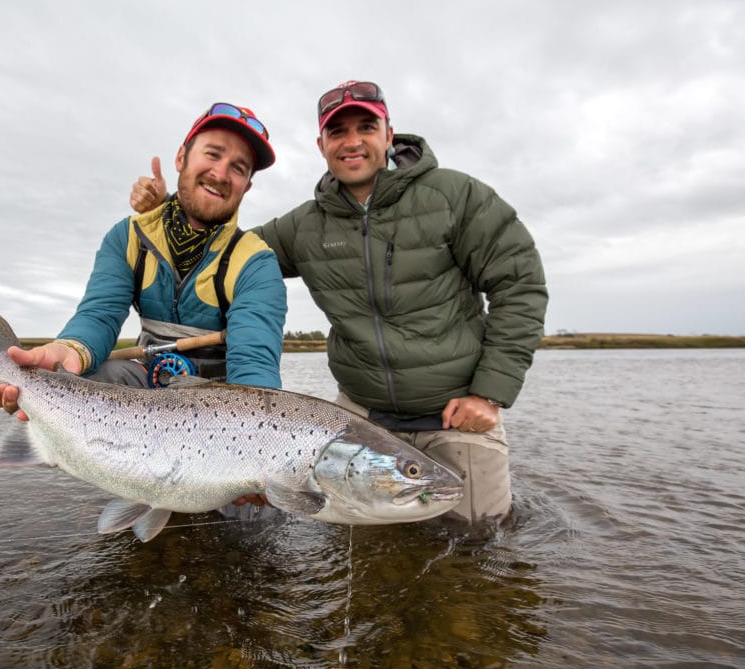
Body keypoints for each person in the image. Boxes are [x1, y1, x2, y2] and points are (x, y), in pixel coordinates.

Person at [130, 81, 548, 526]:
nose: (352, 142)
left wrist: (489, 393)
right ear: (321, 145)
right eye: (337, 132)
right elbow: (225, 253)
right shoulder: (304, 225)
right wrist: (166, 211)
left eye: (366, 127)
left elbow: (520, 286)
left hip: (457, 412)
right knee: (338, 540)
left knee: (481, 540)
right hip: (359, 416)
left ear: (389, 135)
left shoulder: (458, 197)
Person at [0, 102, 287, 422]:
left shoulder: (257, 262)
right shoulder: (127, 237)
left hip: (221, 402)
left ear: (247, 185)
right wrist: (70, 352)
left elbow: (255, 368)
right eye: (213, 154)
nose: (220, 174)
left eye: (238, 167)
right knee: (90, 376)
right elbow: (98, 316)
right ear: (181, 157)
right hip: (143, 381)